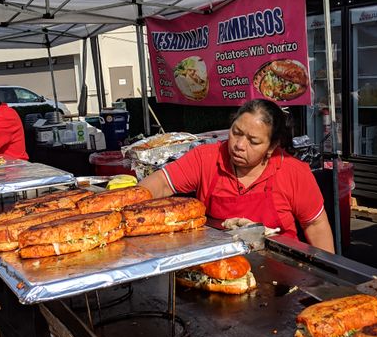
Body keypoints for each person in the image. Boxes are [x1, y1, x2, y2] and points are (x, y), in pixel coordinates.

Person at [139, 99, 334, 252]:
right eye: (236, 132)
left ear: (271, 147)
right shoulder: (206, 158)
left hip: (281, 269)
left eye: (253, 141)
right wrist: (129, 206)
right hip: (219, 261)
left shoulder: (293, 171)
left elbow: (316, 225)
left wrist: (328, 279)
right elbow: (161, 183)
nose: (239, 145)